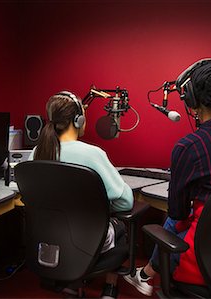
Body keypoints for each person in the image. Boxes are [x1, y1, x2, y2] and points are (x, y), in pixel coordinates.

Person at [124, 58, 211, 296]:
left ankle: (145, 275)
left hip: (199, 260)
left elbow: (177, 211)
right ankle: (145, 275)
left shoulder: (189, 146)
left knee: (174, 220)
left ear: (191, 99)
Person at [29, 91, 134, 299]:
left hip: (51, 241)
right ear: (79, 120)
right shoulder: (92, 154)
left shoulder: (36, 153)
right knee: (121, 226)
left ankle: (69, 285)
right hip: (89, 241)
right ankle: (110, 289)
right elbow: (125, 202)